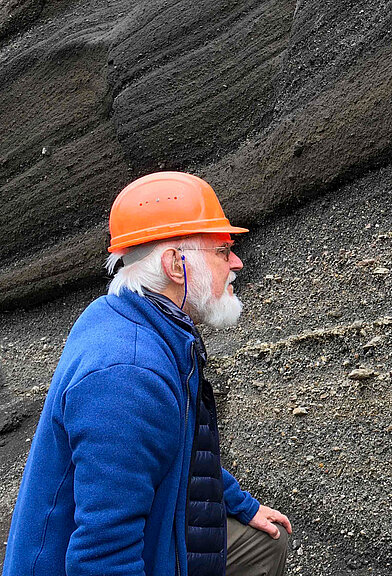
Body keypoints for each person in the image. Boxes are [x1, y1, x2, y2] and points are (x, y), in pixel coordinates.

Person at [3, 172, 291, 576]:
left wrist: (240, 503)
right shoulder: (128, 376)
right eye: (223, 250)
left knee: (264, 543)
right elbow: (102, 558)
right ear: (176, 264)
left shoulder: (131, 318)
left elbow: (177, 447)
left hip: (160, 530)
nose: (237, 262)